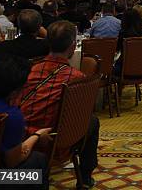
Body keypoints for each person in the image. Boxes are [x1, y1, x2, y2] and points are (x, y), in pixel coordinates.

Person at [17, 21, 99, 189]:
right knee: (92, 121)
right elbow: (81, 115)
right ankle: (85, 177)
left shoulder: (27, 70)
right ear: (73, 45)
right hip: (53, 142)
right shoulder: (76, 79)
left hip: (19, 137)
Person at [0, 55, 50, 187]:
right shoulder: (10, 116)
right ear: (15, 92)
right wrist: (36, 136)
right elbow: (13, 161)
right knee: (38, 161)